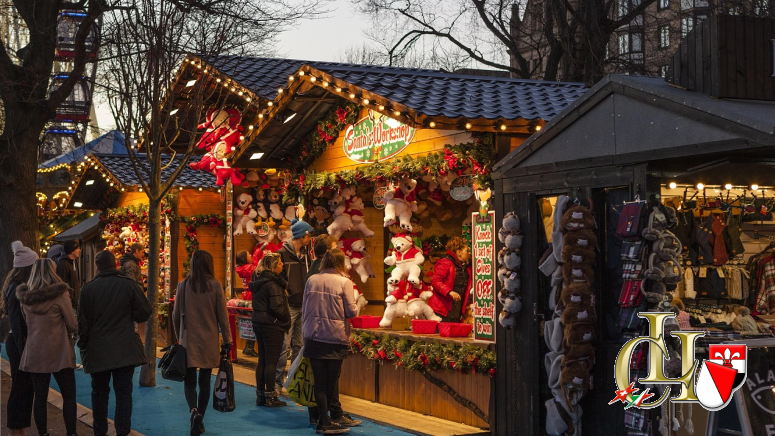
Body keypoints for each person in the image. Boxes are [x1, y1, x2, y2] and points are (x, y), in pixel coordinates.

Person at [77, 250, 152, 436]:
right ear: (115, 264)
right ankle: (122, 431)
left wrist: (83, 344)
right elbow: (145, 311)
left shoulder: (88, 289)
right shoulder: (128, 285)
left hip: (98, 349)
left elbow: (82, 322)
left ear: (97, 266)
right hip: (124, 347)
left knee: (99, 394)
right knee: (124, 394)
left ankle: (100, 431)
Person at [172, 250, 232, 436]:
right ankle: (201, 417)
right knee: (205, 381)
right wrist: (227, 340)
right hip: (209, 340)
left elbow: (175, 315)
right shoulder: (215, 286)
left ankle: (193, 412)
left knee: (189, 381)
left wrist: (179, 336)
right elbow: (223, 316)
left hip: (188, 340)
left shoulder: (183, 285)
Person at [17, 258, 78, 436]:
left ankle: (43, 433)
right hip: (59, 351)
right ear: (53, 271)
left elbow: (25, 323)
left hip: (35, 350)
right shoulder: (60, 294)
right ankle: (71, 433)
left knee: (40, 397)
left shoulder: (25, 298)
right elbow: (72, 324)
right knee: (69, 395)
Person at [305, 237, 361, 428]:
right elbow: (352, 312)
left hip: (313, 335)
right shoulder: (344, 282)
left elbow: (305, 308)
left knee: (319, 382)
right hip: (334, 337)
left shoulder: (312, 279)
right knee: (331, 382)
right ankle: (327, 420)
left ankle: (323, 420)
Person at [2, 241, 38, 436]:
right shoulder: (17, 288)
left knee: (23, 387)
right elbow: (17, 324)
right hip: (19, 345)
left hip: (18, 344)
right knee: (21, 387)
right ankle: (15, 429)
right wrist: (25, 349)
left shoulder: (15, 285)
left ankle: (18, 428)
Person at [275, 219, 313, 392]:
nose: (310, 237)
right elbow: (277, 276)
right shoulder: (282, 254)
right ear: (302, 236)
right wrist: (288, 291)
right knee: (284, 344)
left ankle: (293, 382)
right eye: (308, 234)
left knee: (299, 344)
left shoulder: (306, 255)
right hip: (289, 305)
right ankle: (276, 381)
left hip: (303, 304)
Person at [249, 253, 290, 407]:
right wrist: (286, 319)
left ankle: (261, 395)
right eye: (280, 263)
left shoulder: (258, 281)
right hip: (272, 325)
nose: (282, 265)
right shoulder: (274, 284)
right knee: (272, 361)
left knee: (263, 360)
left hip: (259, 323)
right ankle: (271, 396)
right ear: (273, 266)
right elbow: (277, 306)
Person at [429, 237, 472, 323]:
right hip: (442, 309)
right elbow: (435, 281)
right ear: (459, 252)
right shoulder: (445, 262)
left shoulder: (465, 267)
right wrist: (450, 292)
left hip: (456, 310)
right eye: (467, 251)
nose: (469, 253)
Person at [236, 249, 258, 357]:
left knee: (249, 322)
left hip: (246, 295)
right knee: (253, 322)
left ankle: (247, 347)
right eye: (249, 254)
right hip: (252, 296)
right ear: (245, 258)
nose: (250, 255)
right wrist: (256, 257)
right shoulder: (250, 268)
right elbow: (258, 270)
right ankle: (249, 347)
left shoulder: (242, 269)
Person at [55, 239, 81, 311]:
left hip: (73, 302)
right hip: (68, 303)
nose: (80, 250)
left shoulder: (72, 263)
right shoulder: (63, 264)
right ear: (72, 251)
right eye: (77, 248)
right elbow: (61, 283)